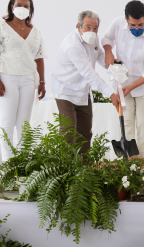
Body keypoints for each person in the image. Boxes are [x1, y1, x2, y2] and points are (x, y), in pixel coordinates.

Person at [0, 0, 47, 161]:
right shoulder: (0, 27)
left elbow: (39, 58)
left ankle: (23, 161)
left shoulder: (36, 32)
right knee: (7, 122)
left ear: (31, 9)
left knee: (24, 124)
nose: (22, 8)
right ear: (12, 7)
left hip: (28, 80)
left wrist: (42, 82)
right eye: (19, 5)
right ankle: (8, 163)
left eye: (26, 6)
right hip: (6, 78)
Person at [51, 10, 120, 155]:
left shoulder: (93, 38)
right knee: (68, 131)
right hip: (66, 92)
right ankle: (64, 168)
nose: (92, 31)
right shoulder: (72, 46)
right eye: (88, 27)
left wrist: (112, 64)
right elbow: (89, 74)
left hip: (83, 91)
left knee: (85, 132)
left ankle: (83, 167)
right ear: (79, 26)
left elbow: (99, 54)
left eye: (95, 28)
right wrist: (111, 94)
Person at [102, 1, 144, 157]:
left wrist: (132, 86)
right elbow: (106, 38)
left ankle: (142, 161)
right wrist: (108, 52)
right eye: (133, 26)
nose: (137, 29)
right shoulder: (117, 24)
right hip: (122, 84)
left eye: (141, 25)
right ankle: (128, 161)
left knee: (143, 123)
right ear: (126, 20)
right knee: (127, 122)